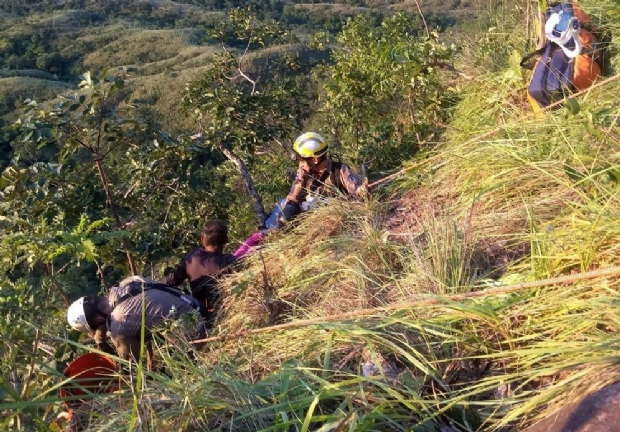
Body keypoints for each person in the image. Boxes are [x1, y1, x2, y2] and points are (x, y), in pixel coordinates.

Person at [66, 276, 202, 369]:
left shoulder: (118, 323)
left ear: (98, 320)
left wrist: (101, 342)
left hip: (199, 332)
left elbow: (130, 365)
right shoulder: (127, 283)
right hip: (197, 306)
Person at [163, 219, 262, 327]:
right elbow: (246, 258)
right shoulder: (228, 262)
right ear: (226, 240)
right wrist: (260, 238)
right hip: (223, 316)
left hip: (199, 315)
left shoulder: (191, 256)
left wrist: (153, 286)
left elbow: (172, 280)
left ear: (202, 239)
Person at [276, 132, 368, 226]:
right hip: (308, 222)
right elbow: (293, 196)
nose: (300, 164)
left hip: (335, 222)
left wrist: (361, 190)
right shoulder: (304, 172)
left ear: (314, 160)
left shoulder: (339, 170)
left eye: (302, 159)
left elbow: (355, 189)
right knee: (286, 207)